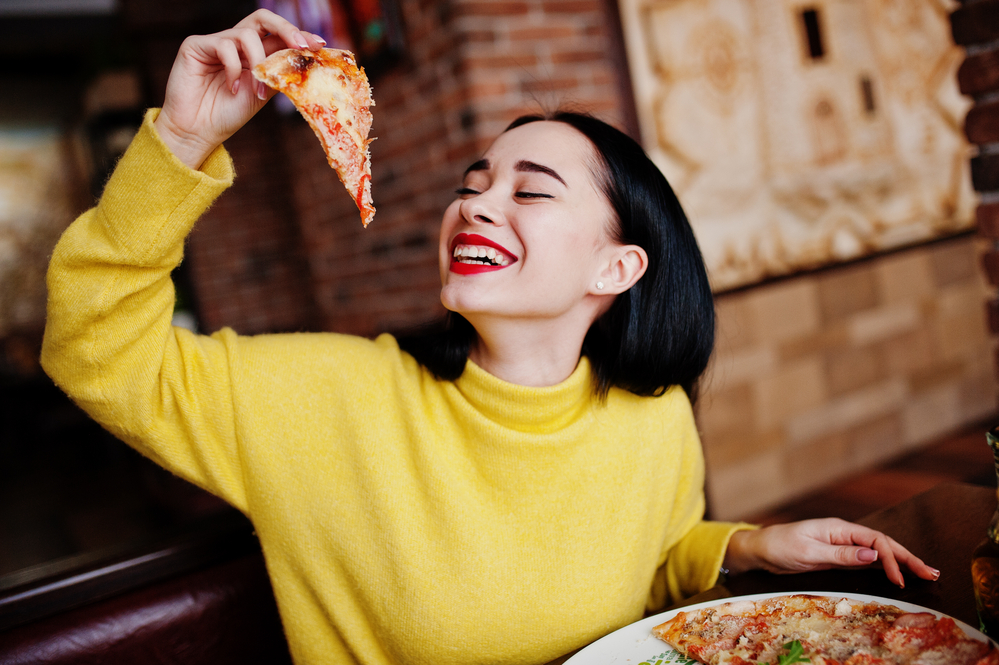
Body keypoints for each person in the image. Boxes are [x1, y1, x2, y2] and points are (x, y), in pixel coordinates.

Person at [40, 9, 938, 665]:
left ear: (615, 271)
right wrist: (184, 141)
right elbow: (97, 350)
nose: (474, 201)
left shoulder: (649, 414)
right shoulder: (329, 397)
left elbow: (653, 566)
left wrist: (742, 546)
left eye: (531, 189)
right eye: (474, 183)